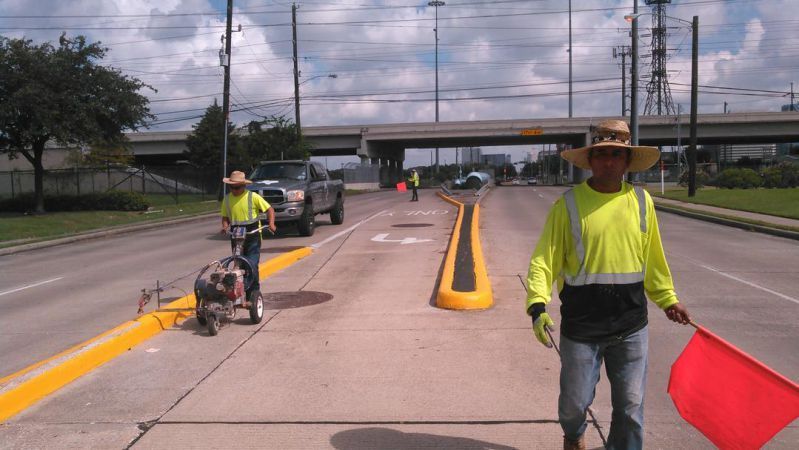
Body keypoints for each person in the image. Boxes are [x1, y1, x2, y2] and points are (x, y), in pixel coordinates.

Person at [525, 120, 691, 450]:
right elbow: (545, 260)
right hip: (581, 327)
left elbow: (654, 260)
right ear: (591, 160)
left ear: (627, 161)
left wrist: (668, 299)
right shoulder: (568, 205)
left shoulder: (643, 203)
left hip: (630, 325)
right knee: (574, 404)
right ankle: (573, 435)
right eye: (601, 154)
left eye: (617, 154)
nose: (609, 161)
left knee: (630, 408)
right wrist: (537, 306)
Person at [220, 170, 276, 295]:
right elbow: (225, 217)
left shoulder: (252, 196)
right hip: (236, 235)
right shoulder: (227, 199)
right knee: (238, 264)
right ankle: (239, 289)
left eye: (237, 187)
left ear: (244, 186)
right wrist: (225, 227)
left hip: (252, 235)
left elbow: (270, 209)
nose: (234, 190)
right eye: (232, 187)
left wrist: (271, 224)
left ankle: (254, 292)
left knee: (251, 263)